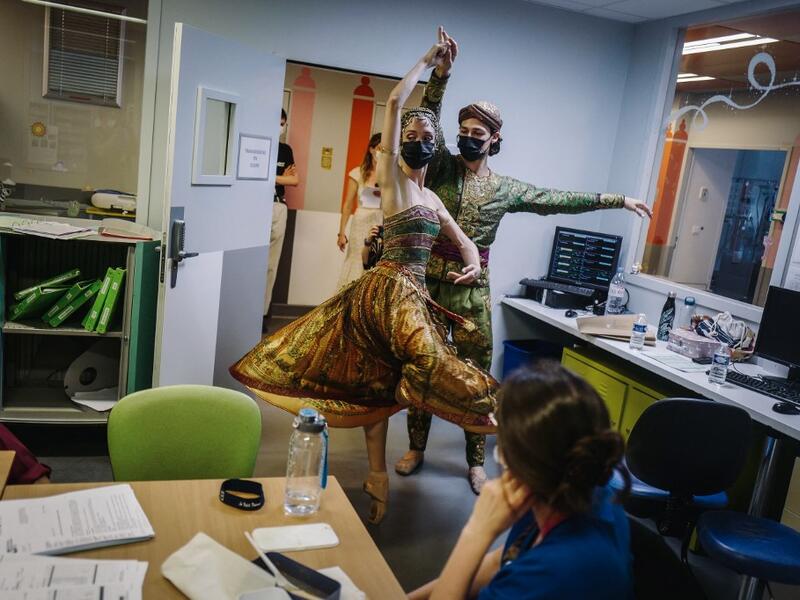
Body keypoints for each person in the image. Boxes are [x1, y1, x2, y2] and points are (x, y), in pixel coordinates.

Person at [230, 33, 497, 525]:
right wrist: (429, 61)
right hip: (386, 291)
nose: (416, 144)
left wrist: (474, 262)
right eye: (410, 139)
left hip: (414, 295)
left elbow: (463, 243)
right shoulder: (392, 180)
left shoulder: (434, 200)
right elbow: (396, 101)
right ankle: (484, 406)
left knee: (377, 385)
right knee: (427, 355)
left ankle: (379, 475)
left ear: (436, 150)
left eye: (424, 141)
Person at [395, 29, 653, 494]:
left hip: (474, 290)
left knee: (475, 375)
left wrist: (618, 199)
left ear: (494, 140)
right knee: (424, 366)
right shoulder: (442, 166)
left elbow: (560, 200)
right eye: (463, 132)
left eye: (478, 134)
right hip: (429, 286)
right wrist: (441, 75)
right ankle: (417, 448)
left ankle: (476, 461)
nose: (468, 139)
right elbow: (427, 119)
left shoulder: (506, 188)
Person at [409, 362, 632, 600]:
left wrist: (476, 532)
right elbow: (503, 561)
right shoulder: (575, 487)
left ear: (516, 459)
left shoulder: (550, 574)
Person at [264, 109, 299, 325]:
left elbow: (294, 180)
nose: (280, 127)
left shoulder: (285, 150)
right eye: (276, 122)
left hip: (278, 206)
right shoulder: (258, 145)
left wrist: (270, 178)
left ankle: (262, 312)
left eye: (283, 123)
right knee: (252, 262)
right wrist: (279, 178)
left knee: (270, 265)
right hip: (255, 207)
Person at [336, 133, 383, 288]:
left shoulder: (390, 177)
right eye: (378, 148)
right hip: (360, 222)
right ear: (371, 149)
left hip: (380, 222)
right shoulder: (358, 173)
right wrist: (341, 233)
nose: (381, 152)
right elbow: (348, 204)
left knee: (375, 260)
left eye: (385, 150)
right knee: (356, 260)